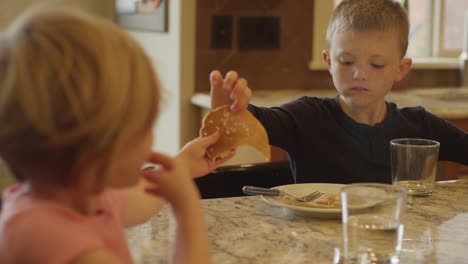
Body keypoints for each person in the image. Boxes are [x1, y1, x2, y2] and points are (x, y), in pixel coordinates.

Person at [0, 7, 231, 264]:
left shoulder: (84, 195)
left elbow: (143, 198)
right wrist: (188, 209)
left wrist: (183, 165)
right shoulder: (46, 238)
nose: (151, 139)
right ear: (99, 146)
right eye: (144, 126)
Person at [209, 0, 468, 184]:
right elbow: (247, 122)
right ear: (329, 62)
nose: (359, 74)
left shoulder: (420, 127)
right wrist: (227, 108)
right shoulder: (306, 117)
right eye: (346, 61)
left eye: (376, 64)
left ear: (401, 69)